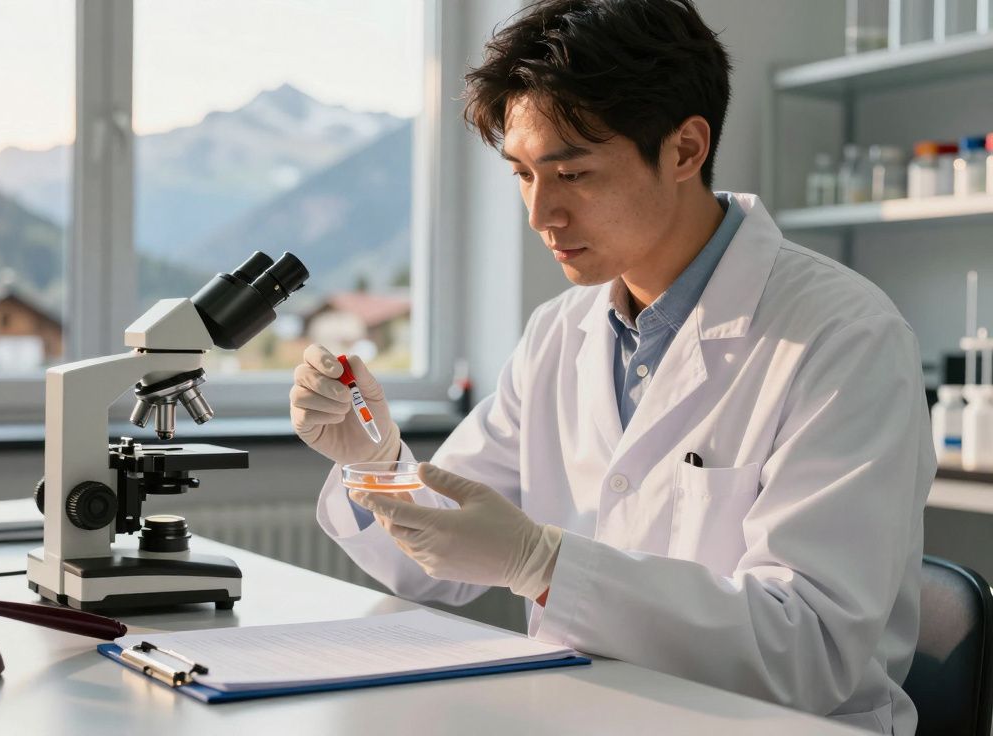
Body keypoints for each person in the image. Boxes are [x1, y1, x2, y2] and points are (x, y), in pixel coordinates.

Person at [288, 1, 934, 733]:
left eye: (572, 173)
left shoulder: (845, 337)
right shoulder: (559, 333)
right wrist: (376, 463)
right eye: (523, 175)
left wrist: (545, 565)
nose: (541, 214)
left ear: (685, 150)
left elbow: (807, 649)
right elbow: (430, 560)